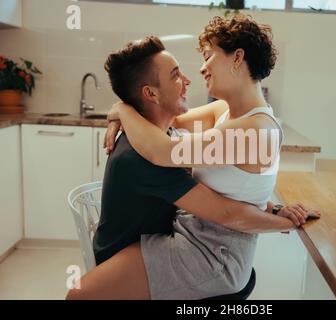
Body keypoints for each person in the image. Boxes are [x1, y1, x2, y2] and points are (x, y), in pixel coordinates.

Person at [67, 16, 320, 300]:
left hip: (214, 255)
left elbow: (163, 150)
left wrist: (122, 111)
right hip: (192, 234)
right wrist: (126, 109)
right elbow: (163, 120)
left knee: (81, 294)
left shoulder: (255, 130)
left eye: (209, 56)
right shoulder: (223, 111)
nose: (201, 68)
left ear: (238, 58)